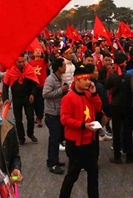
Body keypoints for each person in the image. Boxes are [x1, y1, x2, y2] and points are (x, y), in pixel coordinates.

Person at [59, 64, 102, 198]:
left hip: (90, 141)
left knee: (93, 174)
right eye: (85, 79)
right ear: (76, 80)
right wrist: (83, 125)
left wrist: (94, 94)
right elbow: (65, 119)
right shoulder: (68, 98)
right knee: (73, 175)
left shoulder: (89, 94)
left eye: (89, 79)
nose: (88, 82)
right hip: (75, 143)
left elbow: (98, 108)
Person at [2, 55, 39, 145]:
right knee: (18, 120)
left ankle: (30, 133)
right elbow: (5, 85)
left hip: (28, 97)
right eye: (19, 62)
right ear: (15, 62)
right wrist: (6, 98)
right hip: (16, 98)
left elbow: (34, 83)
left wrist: (32, 94)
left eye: (23, 62)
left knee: (30, 118)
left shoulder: (29, 69)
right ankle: (21, 137)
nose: (22, 64)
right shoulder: (10, 71)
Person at [43, 57, 69, 174]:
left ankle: (53, 160)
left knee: (57, 138)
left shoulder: (59, 78)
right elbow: (45, 94)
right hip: (52, 114)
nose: (65, 67)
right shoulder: (50, 79)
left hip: (59, 112)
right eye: (63, 65)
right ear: (59, 67)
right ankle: (53, 164)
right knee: (54, 139)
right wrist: (61, 90)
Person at [28, 46, 48, 127]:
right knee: (34, 102)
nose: (38, 52)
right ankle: (36, 115)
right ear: (33, 53)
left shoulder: (44, 61)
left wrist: (44, 48)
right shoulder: (30, 63)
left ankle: (40, 118)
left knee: (40, 102)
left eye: (39, 51)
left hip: (41, 85)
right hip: (33, 85)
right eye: (36, 51)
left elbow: (47, 57)